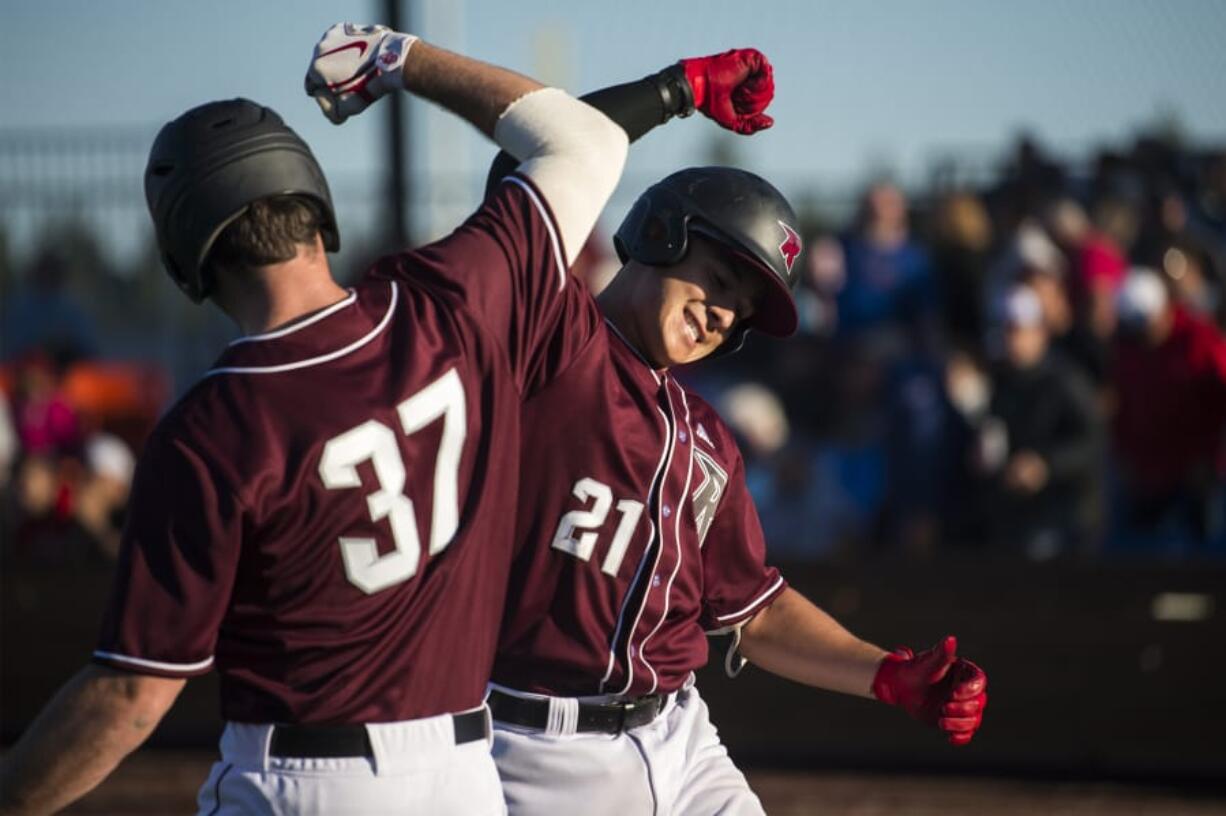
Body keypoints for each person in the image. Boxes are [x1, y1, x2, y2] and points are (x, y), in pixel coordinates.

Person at [0, 22, 630, 815]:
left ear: (189, 255)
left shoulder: (210, 430)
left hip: (303, 783)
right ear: (314, 205)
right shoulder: (452, 303)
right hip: (465, 776)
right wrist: (395, 60)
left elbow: (132, 694)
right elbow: (587, 143)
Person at [475, 86, 989, 815]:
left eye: (741, 309)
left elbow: (756, 610)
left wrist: (886, 674)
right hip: (534, 749)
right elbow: (535, 155)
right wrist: (669, 91)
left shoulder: (707, 437)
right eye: (720, 279)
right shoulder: (551, 342)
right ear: (658, 236)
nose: (723, 314)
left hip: (682, 739)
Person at [976, 284, 1104, 560]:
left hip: (1066, 515)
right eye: (1008, 330)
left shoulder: (1066, 380)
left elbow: (1093, 441)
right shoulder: (1000, 381)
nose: (1013, 340)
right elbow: (992, 436)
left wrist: (1046, 465)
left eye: (1019, 330)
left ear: (1040, 332)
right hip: (1014, 514)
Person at [1112, 267, 1226, 549]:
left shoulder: (1199, 339)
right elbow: (1125, 407)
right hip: (1150, 475)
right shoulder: (1128, 349)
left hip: (1199, 473)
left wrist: (1213, 459)